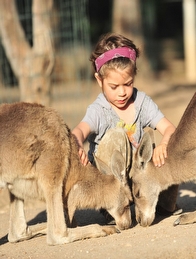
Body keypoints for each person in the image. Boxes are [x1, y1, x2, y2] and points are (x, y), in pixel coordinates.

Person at [72, 32, 181, 224]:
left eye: (128, 84)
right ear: (100, 80)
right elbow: (79, 130)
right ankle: (112, 206)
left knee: (172, 143)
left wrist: (164, 144)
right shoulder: (99, 110)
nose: (122, 92)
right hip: (111, 180)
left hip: (139, 177)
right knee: (117, 135)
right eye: (114, 87)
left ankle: (162, 203)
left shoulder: (142, 103)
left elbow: (170, 129)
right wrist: (77, 144)